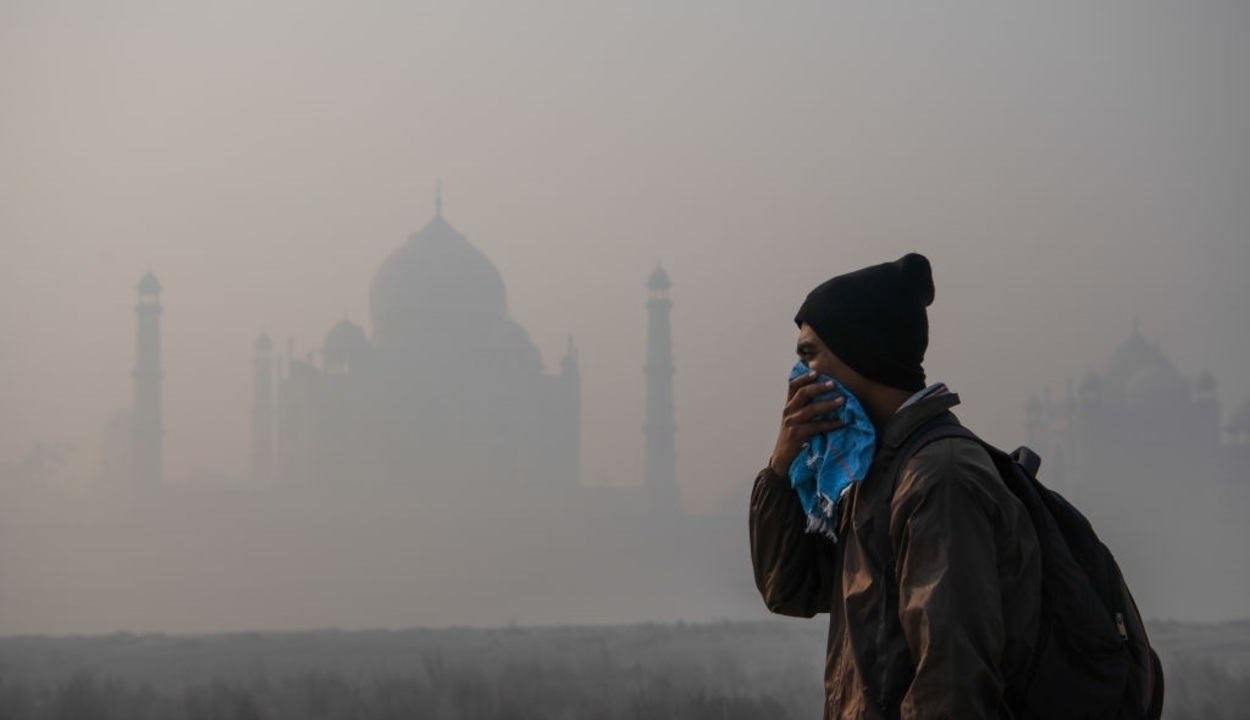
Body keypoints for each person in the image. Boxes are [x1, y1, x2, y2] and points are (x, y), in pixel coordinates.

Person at [749, 253, 1042, 720]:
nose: (800, 377)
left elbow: (950, 684)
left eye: (809, 354)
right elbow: (790, 589)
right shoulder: (875, 474)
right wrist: (780, 468)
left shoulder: (939, 477)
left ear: (860, 353)